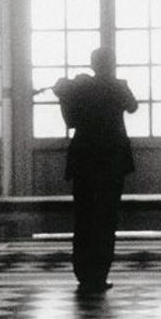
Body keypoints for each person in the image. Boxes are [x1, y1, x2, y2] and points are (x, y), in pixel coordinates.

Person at [53, 47, 138, 294]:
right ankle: (100, 274)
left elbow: (71, 118)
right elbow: (133, 106)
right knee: (106, 219)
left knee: (83, 218)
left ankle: (83, 273)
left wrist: (66, 89)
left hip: (84, 158)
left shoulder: (81, 88)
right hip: (112, 159)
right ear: (112, 64)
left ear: (93, 65)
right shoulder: (117, 87)